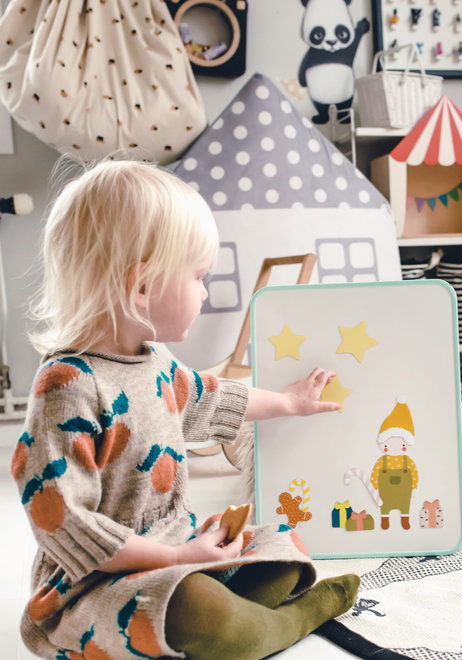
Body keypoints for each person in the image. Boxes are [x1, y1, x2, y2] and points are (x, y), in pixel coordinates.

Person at [11, 158, 359, 659]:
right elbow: (66, 523)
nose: (205, 290)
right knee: (199, 607)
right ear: (142, 286)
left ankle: (226, 617)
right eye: (199, 276)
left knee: (283, 547)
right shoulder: (66, 387)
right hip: (96, 583)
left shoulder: (157, 363)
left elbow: (210, 396)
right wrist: (177, 556)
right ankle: (278, 623)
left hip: (174, 548)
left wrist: (287, 401)